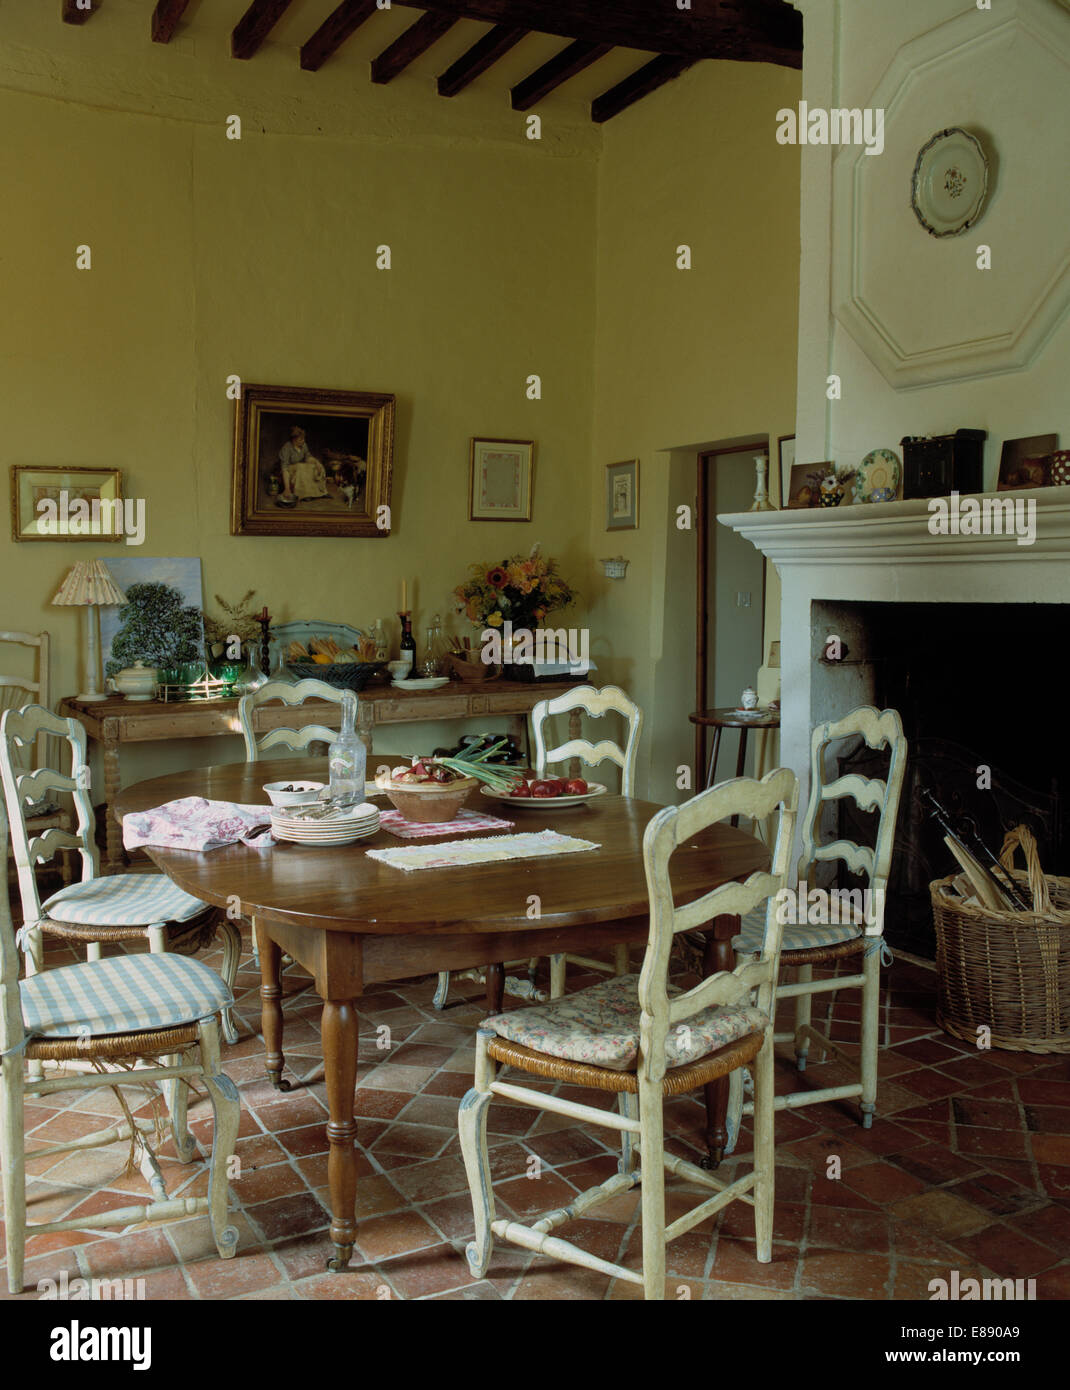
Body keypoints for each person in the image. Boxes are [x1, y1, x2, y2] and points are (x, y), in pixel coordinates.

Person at [278, 425, 328, 501]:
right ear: (294, 440)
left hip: (299, 470)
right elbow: (284, 468)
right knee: (300, 467)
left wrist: (316, 462)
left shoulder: (304, 445)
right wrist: (287, 488)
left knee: (316, 466)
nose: (303, 441)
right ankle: (301, 494)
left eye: (304, 439)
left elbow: (308, 457)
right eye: (301, 439)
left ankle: (317, 492)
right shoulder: (286, 448)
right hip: (288, 472)